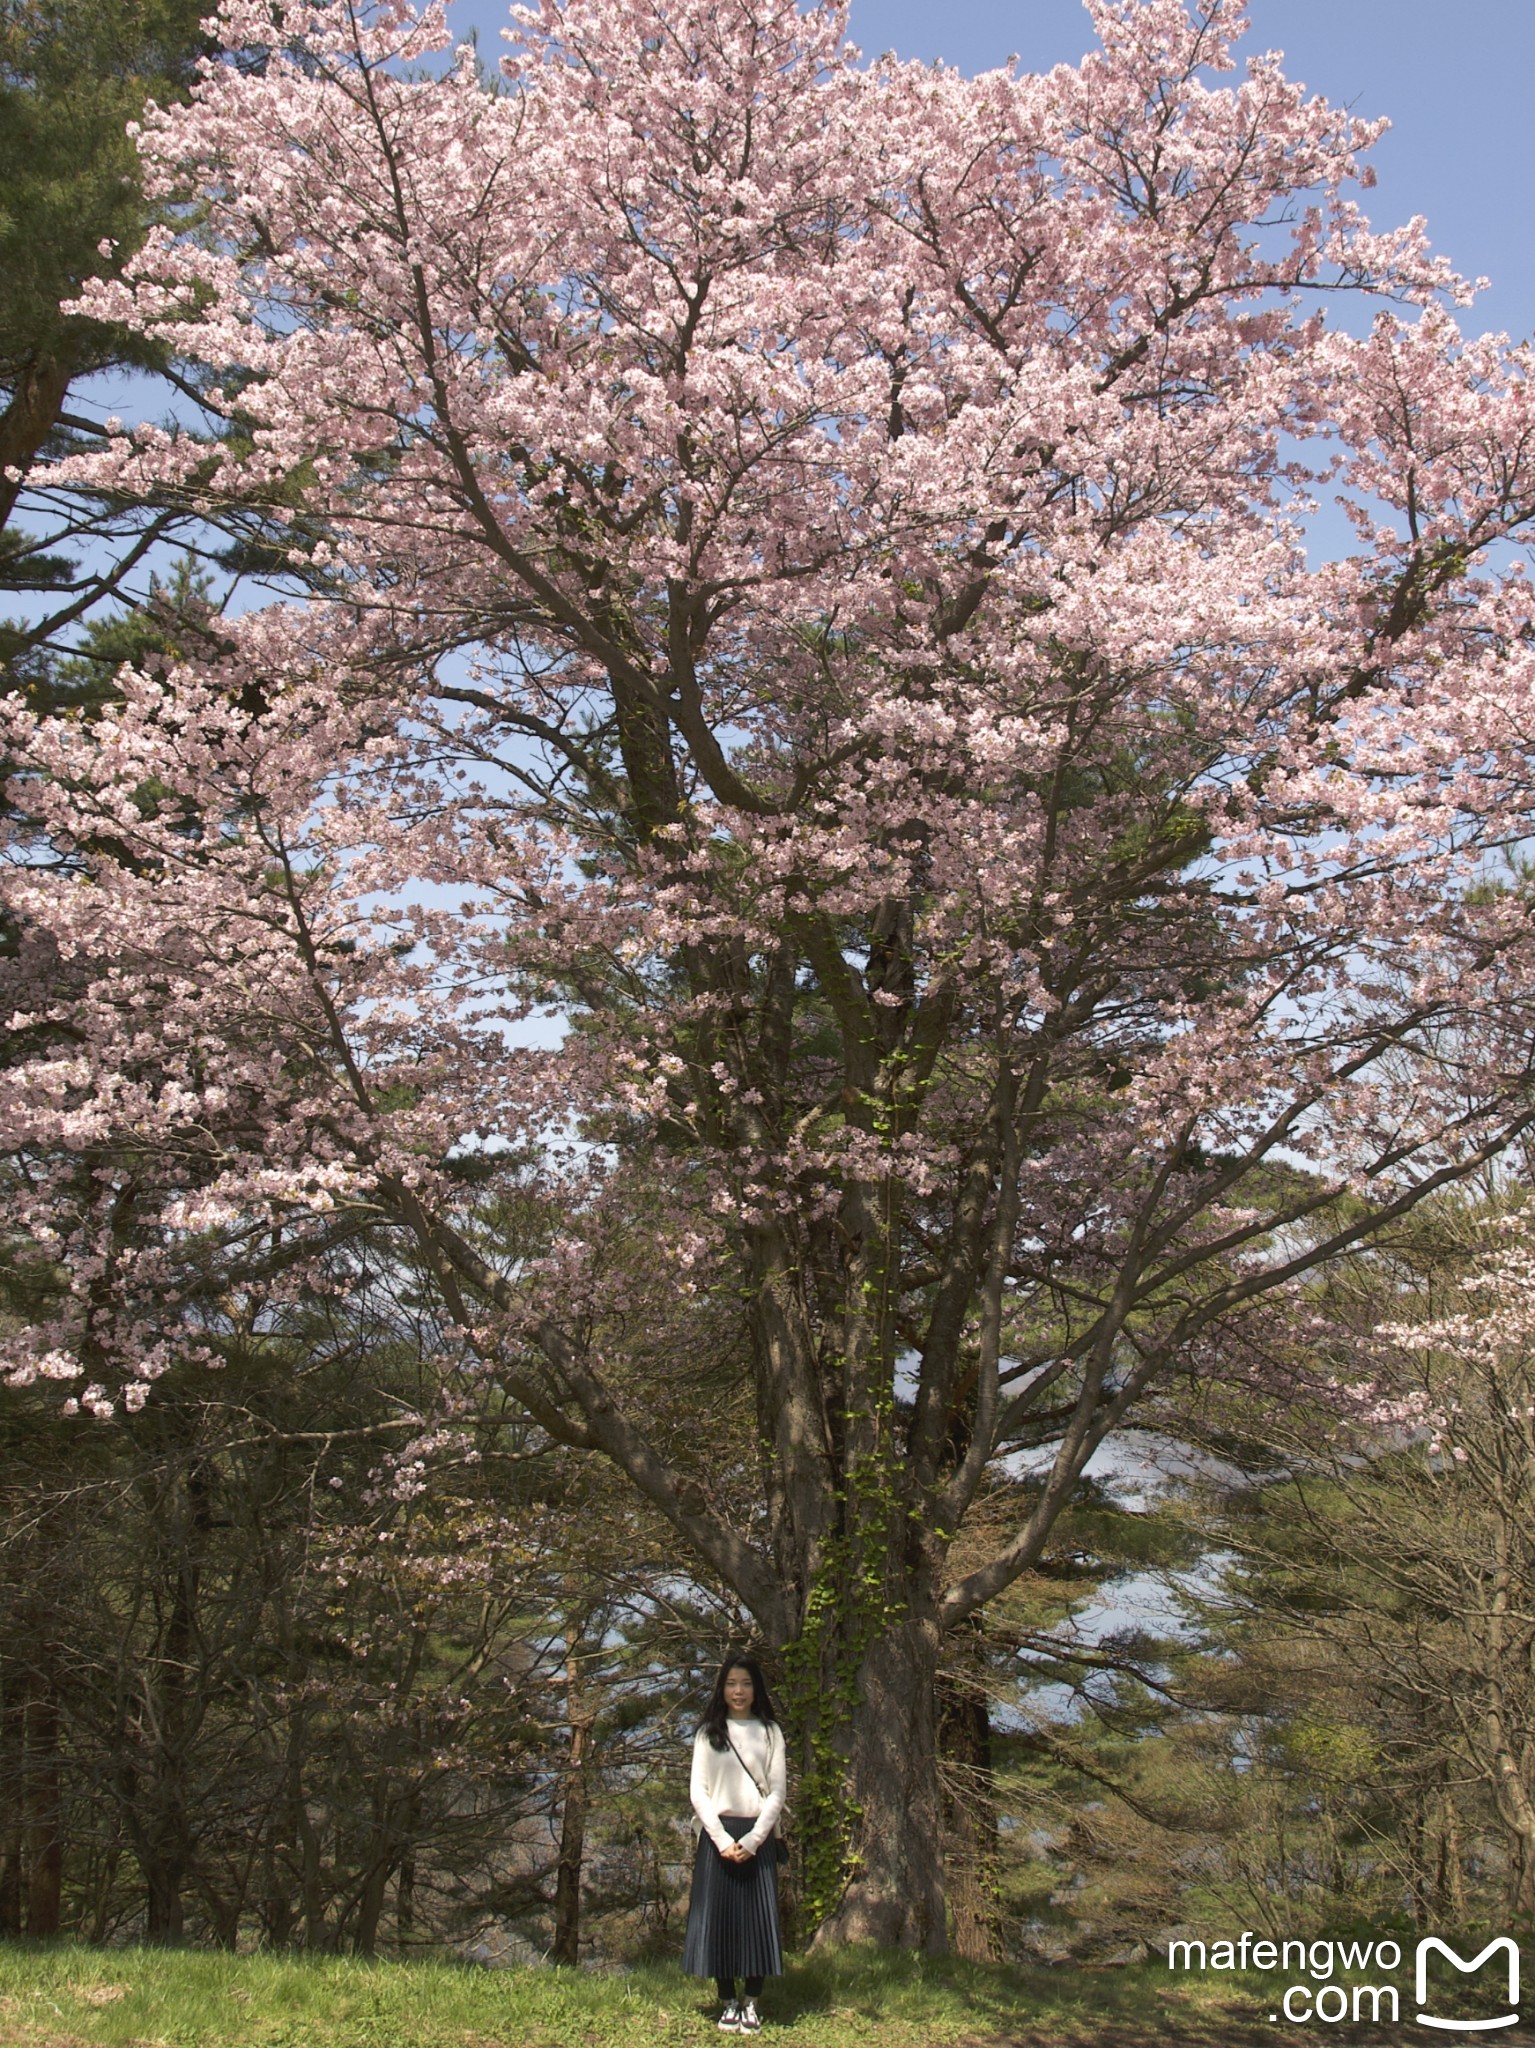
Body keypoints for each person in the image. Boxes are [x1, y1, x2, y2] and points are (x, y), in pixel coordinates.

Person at [682, 1653, 787, 2035]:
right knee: (720, 1923)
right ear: (721, 1689)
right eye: (731, 1684)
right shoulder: (708, 1733)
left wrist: (756, 1839)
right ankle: (727, 2002)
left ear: (756, 1688)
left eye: (745, 1683)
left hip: (759, 1834)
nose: (738, 1691)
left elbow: (777, 1792)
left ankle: (752, 2004)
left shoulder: (771, 1732)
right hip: (717, 1836)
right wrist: (723, 1839)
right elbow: (699, 1792)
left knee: (758, 1922)